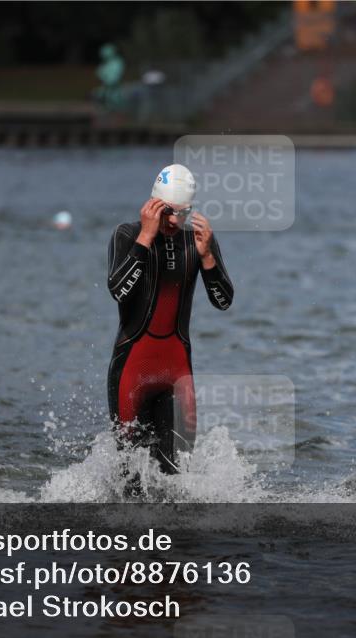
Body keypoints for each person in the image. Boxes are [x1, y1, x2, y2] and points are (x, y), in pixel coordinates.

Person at [106, 164, 233, 488]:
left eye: (185, 212)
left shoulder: (198, 241)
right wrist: (146, 238)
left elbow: (223, 301)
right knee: (129, 480)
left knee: (177, 481)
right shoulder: (127, 235)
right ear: (153, 204)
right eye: (169, 212)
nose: (176, 221)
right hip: (132, 372)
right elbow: (119, 290)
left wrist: (208, 259)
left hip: (176, 372)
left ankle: (177, 541)